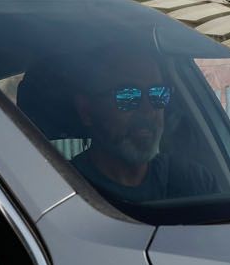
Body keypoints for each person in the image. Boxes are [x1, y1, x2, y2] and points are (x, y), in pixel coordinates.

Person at [67, 47, 217, 204]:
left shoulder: (195, 183)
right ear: (87, 111)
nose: (149, 110)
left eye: (158, 94)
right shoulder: (66, 191)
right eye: (128, 95)